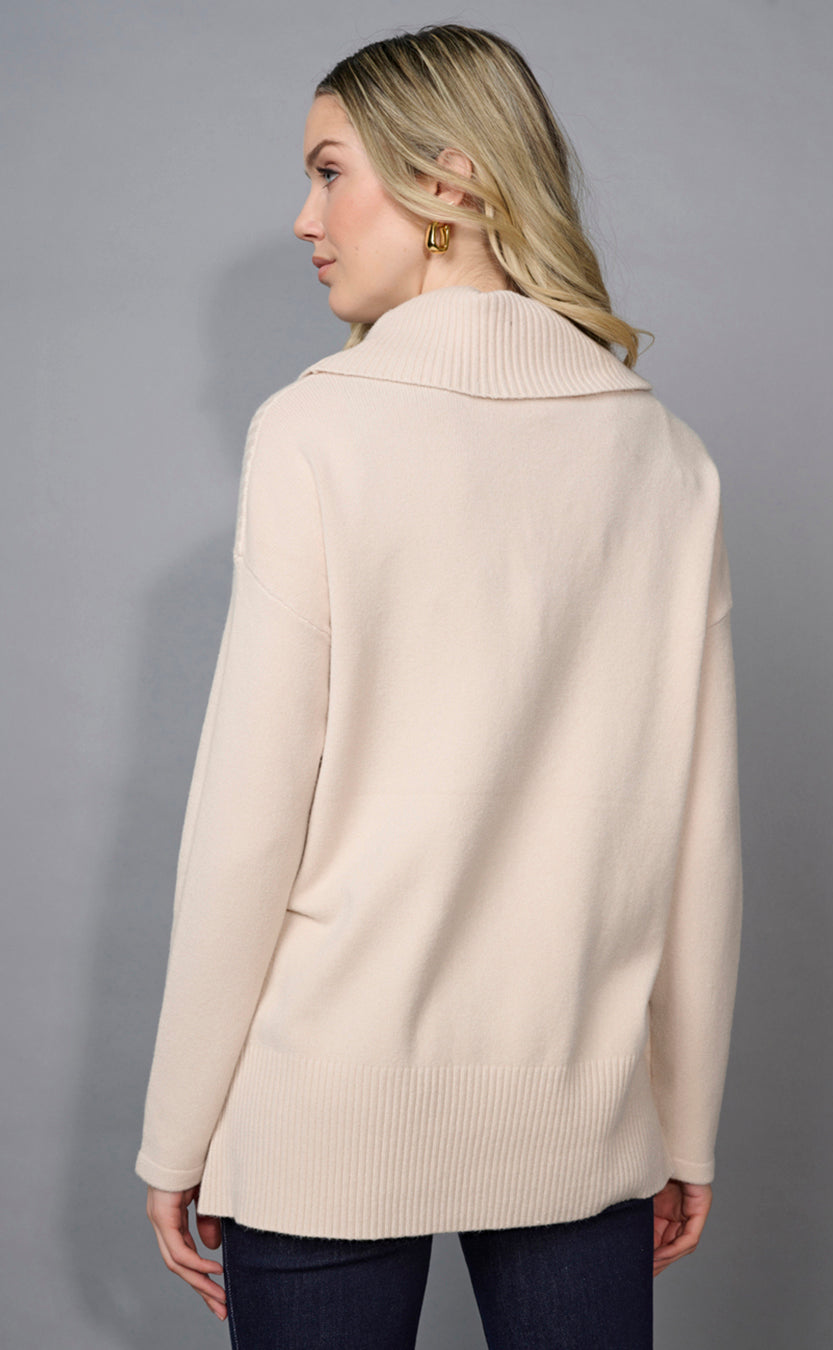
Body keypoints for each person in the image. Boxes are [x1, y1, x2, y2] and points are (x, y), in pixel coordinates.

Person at [136, 22, 743, 1349]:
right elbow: (698, 838)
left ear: (449, 182)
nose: (306, 220)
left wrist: (177, 1130)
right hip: (582, 1115)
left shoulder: (315, 431)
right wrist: (684, 1122)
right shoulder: (667, 460)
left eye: (329, 171)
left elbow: (248, 820)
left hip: (326, 1112)